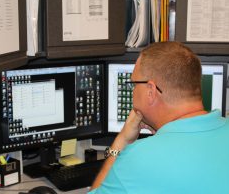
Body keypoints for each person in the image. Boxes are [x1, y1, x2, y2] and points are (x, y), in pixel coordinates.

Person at [88, 41, 229, 194]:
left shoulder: (139, 159)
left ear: (151, 91)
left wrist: (121, 141)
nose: (133, 90)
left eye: (134, 84)